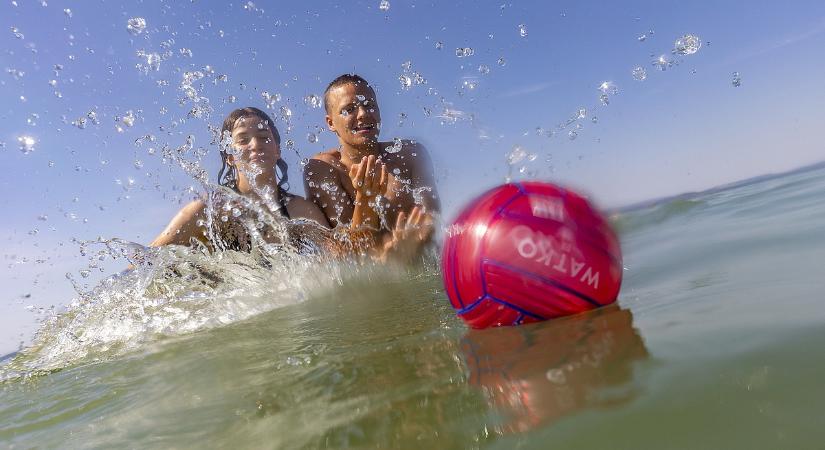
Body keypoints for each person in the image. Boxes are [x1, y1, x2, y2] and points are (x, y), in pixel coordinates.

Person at [150, 107, 382, 254]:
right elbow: (147, 261)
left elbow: (343, 258)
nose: (255, 145)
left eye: (263, 137)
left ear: (278, 150)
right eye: (243, 140)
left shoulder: (298, 209)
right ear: (230, 157)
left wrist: (365, 198)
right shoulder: (207, 210)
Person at [303, 74, 440, 261]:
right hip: (370, 280)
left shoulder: (409, 154)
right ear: (331, 123)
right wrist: (365, 198)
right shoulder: (324, 169)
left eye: (369, 105)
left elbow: (432, 220)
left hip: (419, 268)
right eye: (349, 109)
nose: (363, 114)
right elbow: (349, 252)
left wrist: (414, 241)